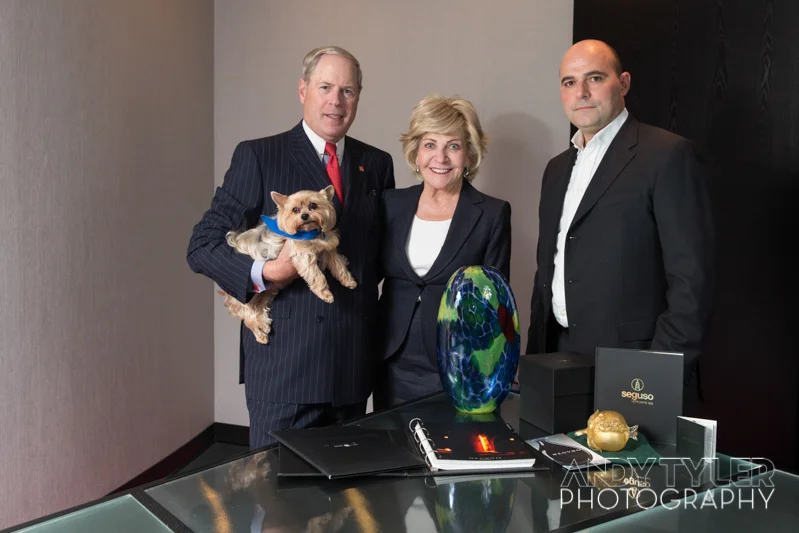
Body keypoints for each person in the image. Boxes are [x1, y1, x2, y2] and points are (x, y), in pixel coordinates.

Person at [187, 46, 395, 448]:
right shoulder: (259, 155)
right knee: (277, 502)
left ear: (358, 97)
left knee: (346, 503)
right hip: (284, 369)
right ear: (303, 90)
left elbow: (377, 259)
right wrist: (265, 273)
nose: (336, 101)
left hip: (351, 370)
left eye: (347, 91)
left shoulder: (378, 164)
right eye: (325, 87)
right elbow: (201, 246)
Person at [526, 39, 715, 410]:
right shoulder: (556, 168)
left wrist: (657, 374)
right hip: (557, 362)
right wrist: (534, 360)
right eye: (569, 82)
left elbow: (693, 279)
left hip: (636, 369)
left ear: (623, 83)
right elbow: (546, 270)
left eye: (594, 78)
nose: (580, 92)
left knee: (630, 472)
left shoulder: (666, 155)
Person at [374, 94, 512, 410]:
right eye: (430, 144)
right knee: (391, 450)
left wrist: (501, 365)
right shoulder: (391, 204)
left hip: (460, 362)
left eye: (453, 146)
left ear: (469, 153)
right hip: (392, 359)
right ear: (416, 151)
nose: (441, 157)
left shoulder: (492, 213)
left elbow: (497, 301)